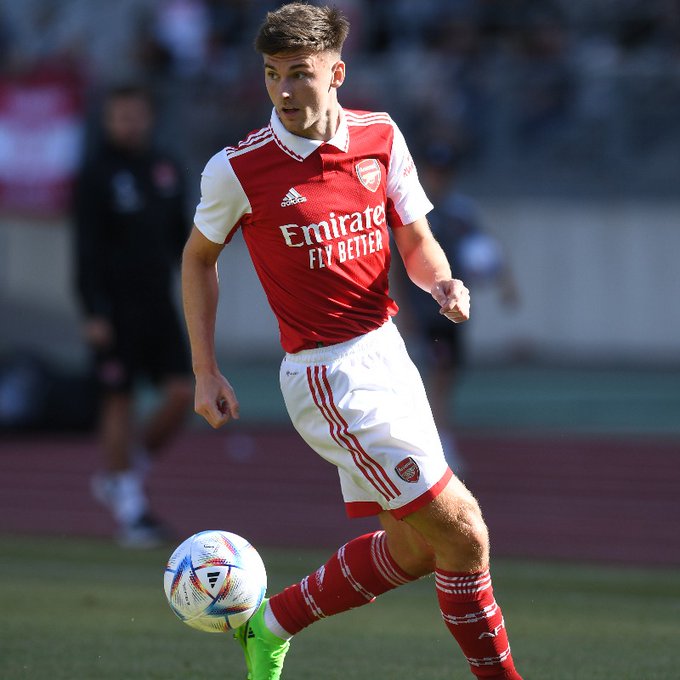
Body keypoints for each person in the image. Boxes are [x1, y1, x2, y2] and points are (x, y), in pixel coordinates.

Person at [181, 4, 523, 679]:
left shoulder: (381, 136)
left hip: (388, 354)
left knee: (421, 548)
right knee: (465, 531)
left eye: (300, 75)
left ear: (336, 72)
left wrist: (442, 281)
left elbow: (415, 239)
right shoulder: (236, 169)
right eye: (273, 75)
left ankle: (271, 624)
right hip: (327, 376)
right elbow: (197, 259)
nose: (285, 91)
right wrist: (204, 370)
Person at [74, 84, 194, 547]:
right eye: (119, 116)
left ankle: (125, 474)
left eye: (135, 115)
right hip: (113, 306)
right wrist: (93, 309)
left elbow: (182, 239)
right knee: (118, 399)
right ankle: (130, 511)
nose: (127, 123)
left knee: (182, 393)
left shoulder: (164, 168)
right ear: (107, 120)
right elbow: (84, 249)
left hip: (158, 303)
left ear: (148, 116)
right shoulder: (96, 173)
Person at [399, 146, 519, 474]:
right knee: (436, 374)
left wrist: (505, 283)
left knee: (448, 375)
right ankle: (438, 444)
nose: (440, 178)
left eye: (445, 172)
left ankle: (436, 436)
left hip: (454, 310)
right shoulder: (412, 209)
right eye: (435, 171)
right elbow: (398, 263)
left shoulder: (461, 211)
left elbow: (485, 250)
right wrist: (404, 309)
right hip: (426, 311)